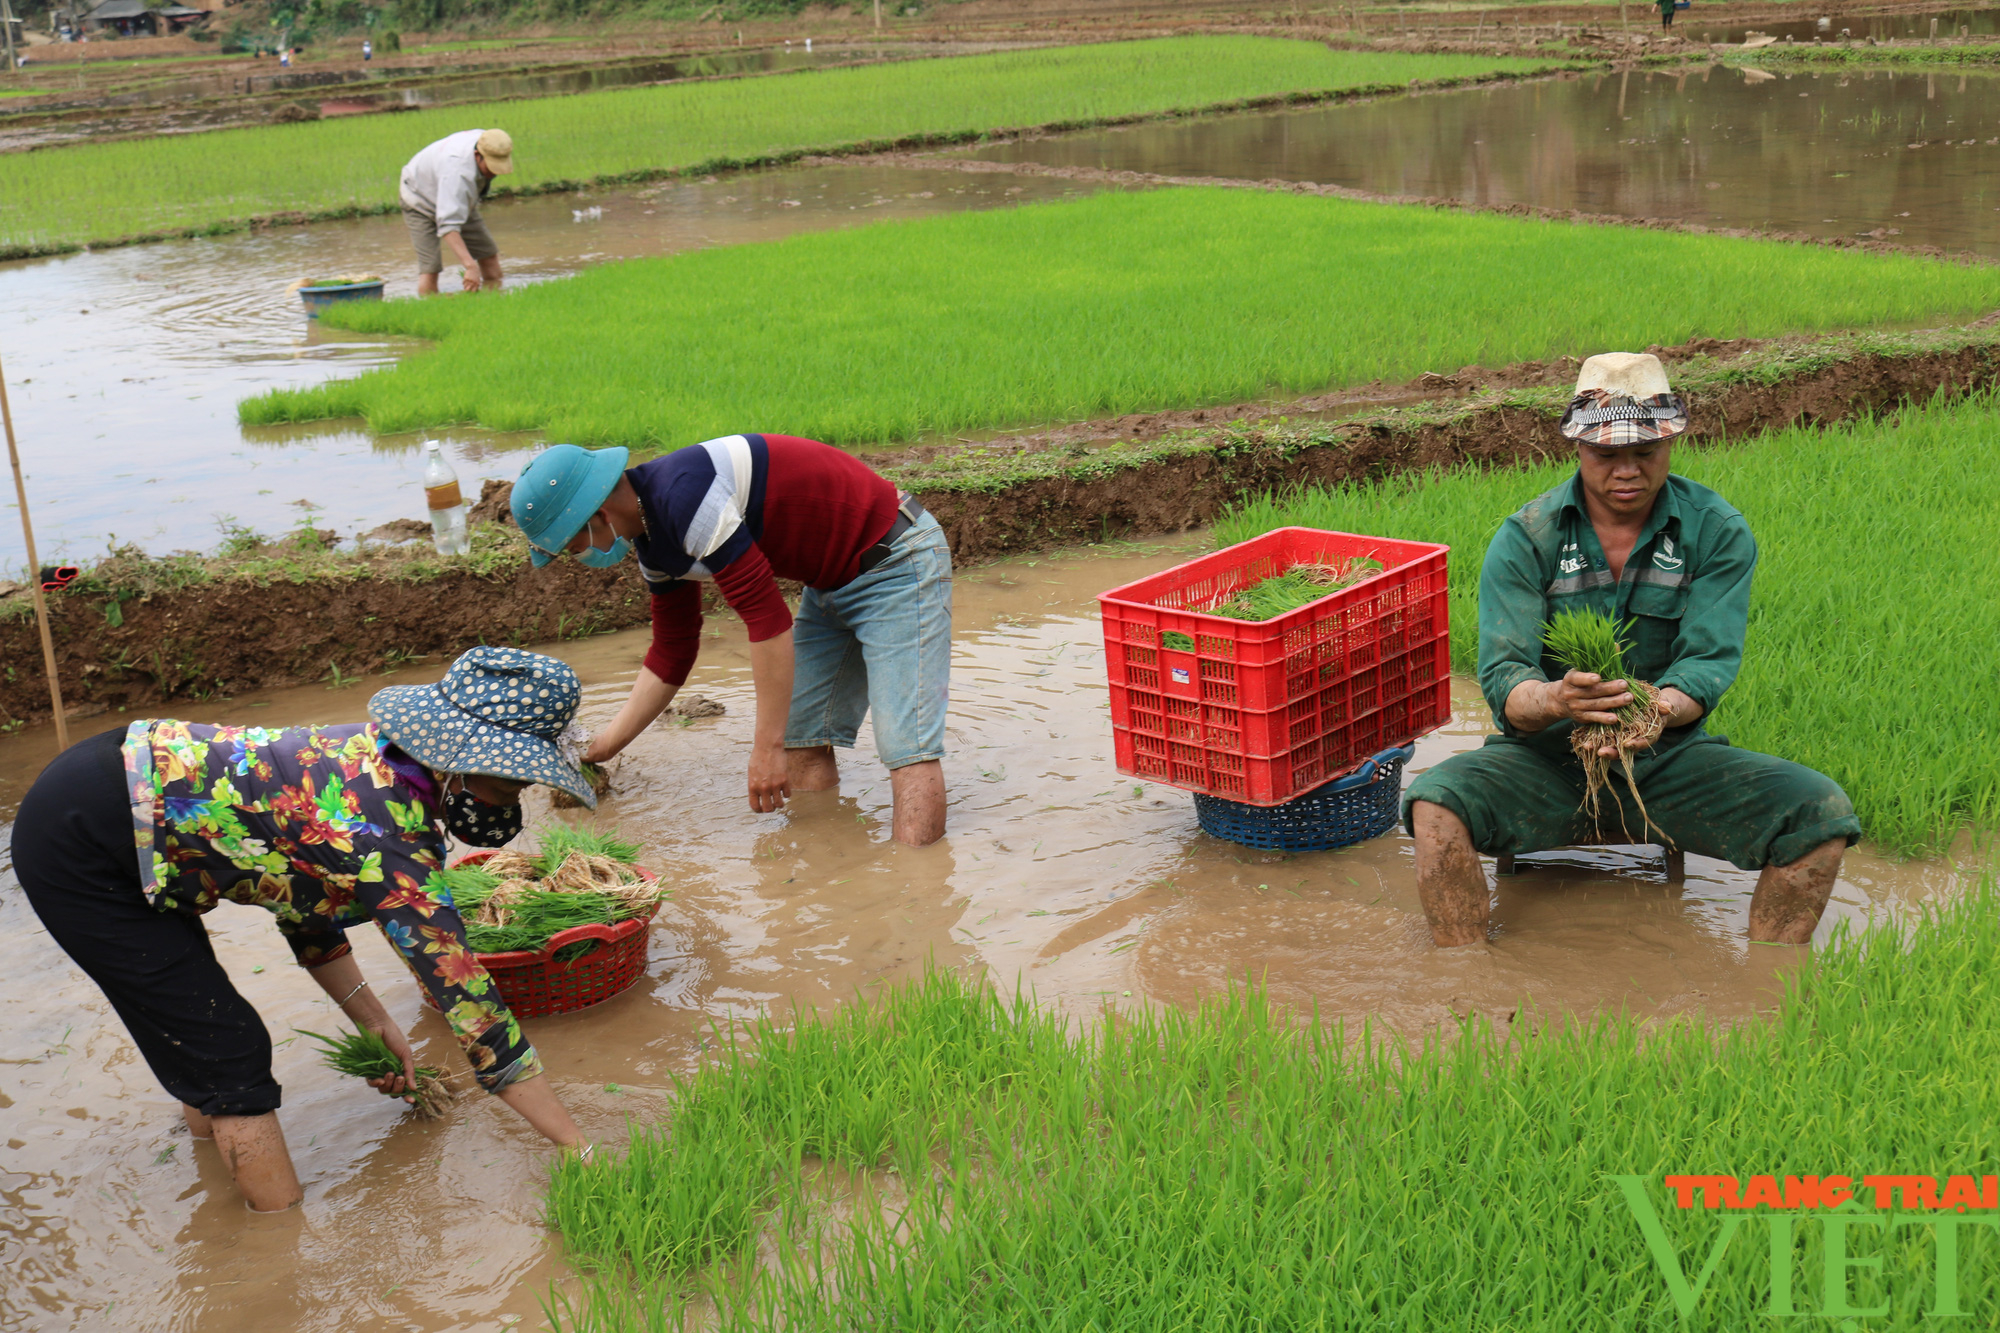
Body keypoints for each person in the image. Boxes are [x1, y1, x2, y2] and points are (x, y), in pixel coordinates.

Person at [9, 646, 599, 1213]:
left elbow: (305, 913)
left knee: (197, 1024)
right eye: (507, 784)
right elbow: (477, 1014)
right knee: (230, 1050)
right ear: (454, 762)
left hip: (129, 804)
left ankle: (209, 1175)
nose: (509, 801)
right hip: (82, 844)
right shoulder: (383, 839)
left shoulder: (375, 760)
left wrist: (378, 1025)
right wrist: (581, 1150)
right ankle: (274, 1243)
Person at [1402, 353, 1859, 949]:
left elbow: (1707, 662)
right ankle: (1463, 980)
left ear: (1671, 441)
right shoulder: (1528, 538)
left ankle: (1770, 986)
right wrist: (1558, 699)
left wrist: (1657, 709)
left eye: (1645, 453)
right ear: (1578, 448)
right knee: (1435, 808)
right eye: (1607, 455)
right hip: (1546, 762)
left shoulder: (1714, 531)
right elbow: (1504, 677)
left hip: (1666, 761)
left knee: (1820, 812)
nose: (1628, 471)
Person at [510, 436, 951, 847]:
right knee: (802, 738)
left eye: (571, 546)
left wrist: (764, 748)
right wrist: (605, 744)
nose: (579, 558)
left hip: (896, 560)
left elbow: (768, 621)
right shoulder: (654, 541)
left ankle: (915, 893)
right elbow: (673, 651)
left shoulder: (685, 497)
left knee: (906, 749)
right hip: (831, 582)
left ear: (599, 515)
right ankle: (826, 866)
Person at [399, 128, 512, 297]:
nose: (494, 172)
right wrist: (470, 266)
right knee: (430, 268)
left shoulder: (490, 140)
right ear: (477, 155)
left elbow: (453, 208)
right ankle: (430, 307)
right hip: (418, 197)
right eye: (490, 165)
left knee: (488, 255)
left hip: (454, 194)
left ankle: (495, 301)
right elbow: (448, 226)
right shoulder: (457, 174)